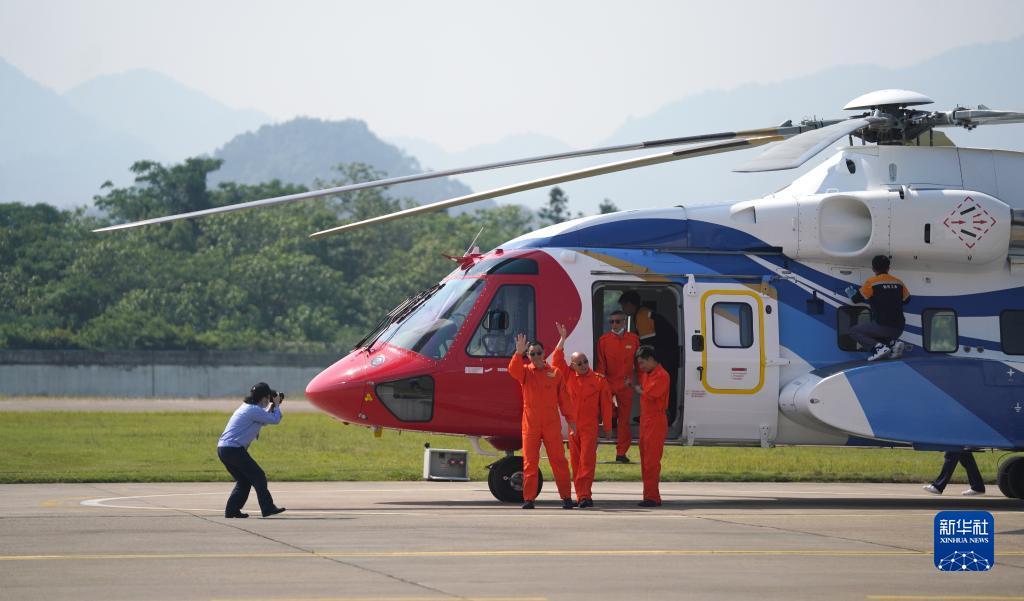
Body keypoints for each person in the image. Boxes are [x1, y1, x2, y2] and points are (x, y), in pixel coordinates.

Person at [508, 334, 577, 510]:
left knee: (559, 461)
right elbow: (513, 371)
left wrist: (571, 421)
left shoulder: (555, 372)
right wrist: (518, 353)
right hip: (530, 424)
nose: (536, 356)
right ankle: (529, 498)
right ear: (528, 356)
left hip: (551, 424)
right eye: (532, 354)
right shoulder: (525, 371)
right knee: (530, 462)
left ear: (544, 353)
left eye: (539, 353)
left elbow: (564, 400)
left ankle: (566, 497)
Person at [553, 322, 613, 508]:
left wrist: (608, 428)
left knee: (587, 462)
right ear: (573, 365)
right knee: (576, 463)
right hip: (573, 428)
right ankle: (581, 496)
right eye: (579, 363)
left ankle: (585, 495)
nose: (584, 365)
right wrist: (562, 339)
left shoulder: (599, 380)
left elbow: (607, 406)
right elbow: (556, 360)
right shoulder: (568, 376)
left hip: (589, 428)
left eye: (585, 361)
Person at [217, 382, 287, 518]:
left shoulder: (248, 407)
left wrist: (272, 407)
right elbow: (275, 420)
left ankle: (232, 510)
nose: (269, 400)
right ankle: (267, 508)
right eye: (269, 397)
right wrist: (277, 405)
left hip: (224, 449)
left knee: (244, 481)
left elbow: (265, 420)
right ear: (264, 398)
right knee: (258, 476)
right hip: (233, 449)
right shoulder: (253, 410)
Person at [618, 291, 680, 426]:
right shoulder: (643, 313)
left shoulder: (642, 316)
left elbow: (647, 345)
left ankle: (668, 416)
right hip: (667, 354)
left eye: (623, 306)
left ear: (629, 304)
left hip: (668, 356)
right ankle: (651, 414)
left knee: (666, 389)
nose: (623, 310)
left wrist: (636, 358)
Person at [845, 255, 911, 361]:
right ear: (888, 269)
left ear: (873, 269)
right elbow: (907, 300)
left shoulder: (872, 283)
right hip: (899, 328)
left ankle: (879, 348)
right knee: (874, 332)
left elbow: (856, 299)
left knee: (853, 331)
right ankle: (893, 344)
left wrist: (852, 295)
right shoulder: (899, 283)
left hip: (882, 326)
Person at [597, 310, 640, 463]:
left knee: (624, 421)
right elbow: (601, 365)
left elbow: (638, 364)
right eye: (611, 322)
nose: (614, 325)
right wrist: (601, 384)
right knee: (604, 414)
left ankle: (621, 453)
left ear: (624, 322)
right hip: (608, 383)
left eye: (617, 321)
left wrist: (639, 383)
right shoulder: (603, 341)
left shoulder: (633, 339)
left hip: (626, 385)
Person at [634, 345, 670, 507]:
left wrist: (635, 388)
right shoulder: (648, 374)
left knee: (651, 462)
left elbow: (649, 393)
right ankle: (648, 495)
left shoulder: (662, 376)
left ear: (650, 359)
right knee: (645, 460)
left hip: (655, 421)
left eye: (642, 363)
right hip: (646, 421)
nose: (641, 367)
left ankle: (653, 497)